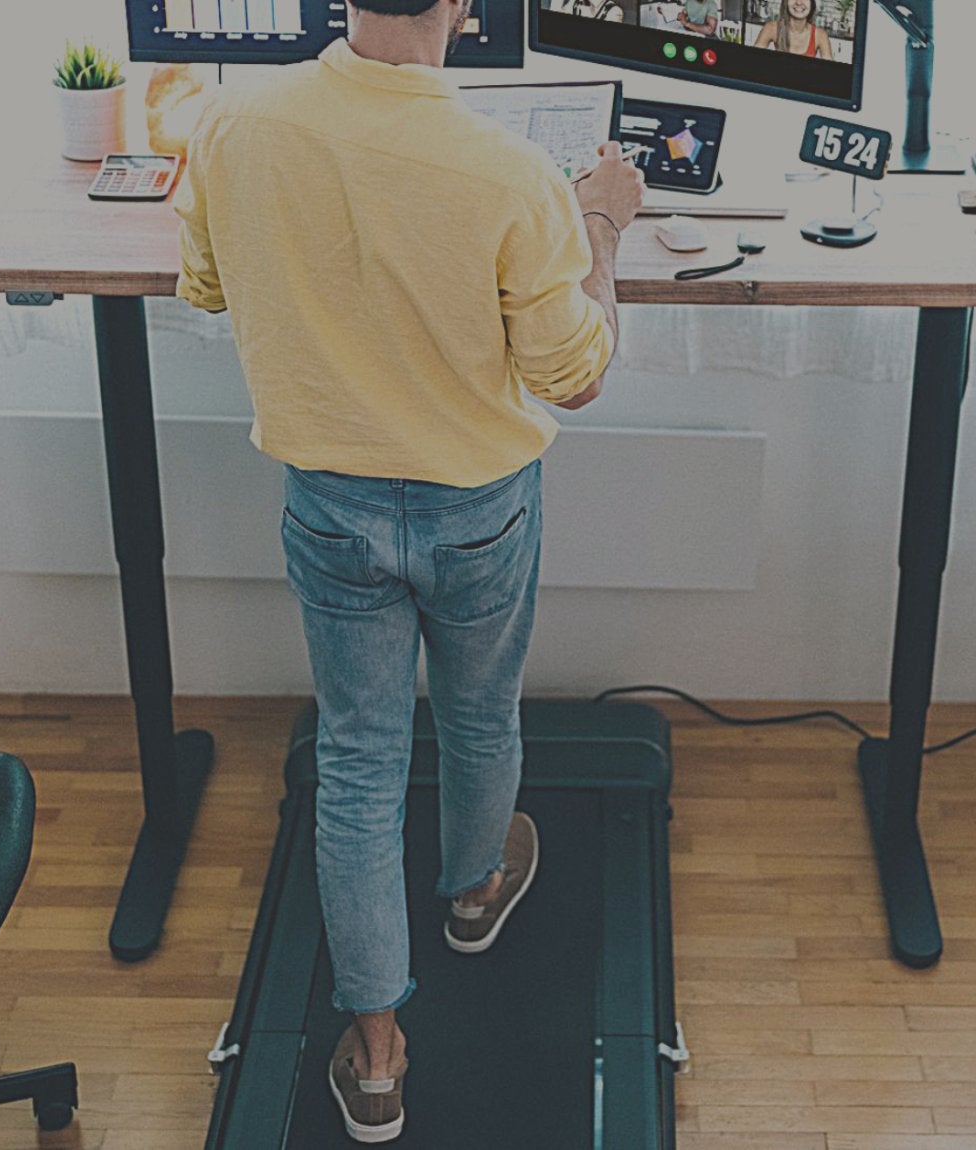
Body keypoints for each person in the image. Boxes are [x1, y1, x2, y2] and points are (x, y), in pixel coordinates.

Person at [172, 0, 644, 1142]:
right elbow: (575, 375)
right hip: (474, 508)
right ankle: (474, 891)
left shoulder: (231, 124)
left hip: (329, 503)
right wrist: (602, 222)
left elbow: (209, 286)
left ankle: (377, 1055)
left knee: (357, 757)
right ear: (465, 8)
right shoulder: (512, 174)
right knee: (478, 712)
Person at [754, 0, 832, 58]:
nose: (799, 2)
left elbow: (830, 71)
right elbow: (754, 60)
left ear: (812, 3)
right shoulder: (771, 28)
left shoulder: (820, 35)